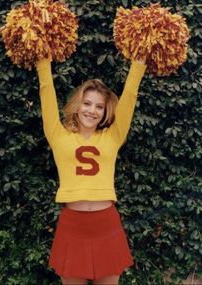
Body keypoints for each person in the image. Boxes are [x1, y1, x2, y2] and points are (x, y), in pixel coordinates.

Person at [36, 54, 146, 285]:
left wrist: (139, 64)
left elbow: (129, 98)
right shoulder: (58, 135)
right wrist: (43, 62)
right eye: (87, 103)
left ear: (105, 112)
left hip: (106, 224)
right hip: (72, 224)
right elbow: (46, 91)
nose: (92, 111)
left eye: (99, 106)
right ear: (77, 105)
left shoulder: (114, 136)